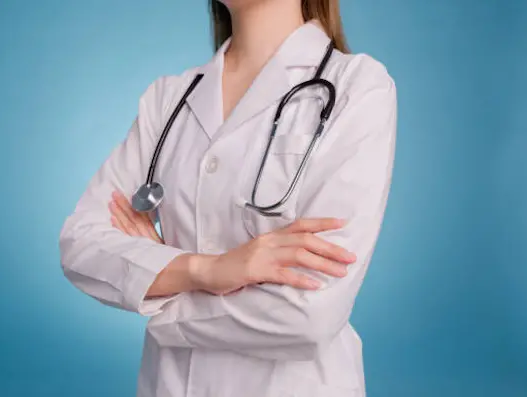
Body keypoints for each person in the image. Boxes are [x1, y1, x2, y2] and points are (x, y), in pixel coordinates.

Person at [59, 0, 397, 395]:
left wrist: (160, 295)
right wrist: (207, 270)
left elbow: (309, 315)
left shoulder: (356, 86)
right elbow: (81, 244)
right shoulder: (169, 98)